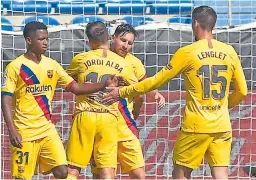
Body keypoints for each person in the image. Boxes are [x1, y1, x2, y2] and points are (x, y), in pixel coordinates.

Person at [102, 6, 248, 179]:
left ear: (195, 23)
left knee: (180, 174)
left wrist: (123, 91)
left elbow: (156, 81)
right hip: (222, 125)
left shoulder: (187, 52)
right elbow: (243, 91)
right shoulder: (229, 51)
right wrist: (223, 106)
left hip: (196, 126)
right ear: (213, 25)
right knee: (221, 173)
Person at [1, 21, 118, 180]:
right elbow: (6, 97)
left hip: (47, 130)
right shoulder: (15, 67)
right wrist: (11, 129)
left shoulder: (52, 65)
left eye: (47, 39)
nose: (45, 42)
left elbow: (75, 87)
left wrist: (104, 84)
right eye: (41, 39)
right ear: (29, 40)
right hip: (24, 131)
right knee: (22, 178)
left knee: (62, 172)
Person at [90, 23, 165, 179]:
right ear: (112, 38)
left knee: (138, 174)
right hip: (101, 123)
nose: (125, 46)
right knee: (102, 175)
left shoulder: (134, 63)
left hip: (125, 125)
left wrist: (156, 94)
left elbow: (144, 85)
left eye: (130, 43)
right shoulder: (96, 57)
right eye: (123, 40)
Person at [65, 21, 138, 179]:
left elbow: (67, 84)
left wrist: (85, 87)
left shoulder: (81, 59)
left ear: (90, 41)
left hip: (84, 115)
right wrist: (121, 88)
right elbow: (138, 89)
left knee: (72, 168)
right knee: (107, 170)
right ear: (109, 37)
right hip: (108, 117)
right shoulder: (123, 63)